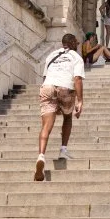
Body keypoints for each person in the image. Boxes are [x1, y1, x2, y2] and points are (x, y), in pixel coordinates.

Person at [34, 34, 84, 181]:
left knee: (46, 126)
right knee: (67, 116)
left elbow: (45, 77)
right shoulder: (76, 57)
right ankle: (63, 150)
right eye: (77, 42)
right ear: (73, 43)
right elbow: (77, 79)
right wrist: (80, 101)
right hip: (65, 88)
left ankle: (41, 156)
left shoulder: (51, 55)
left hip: (47, 87)